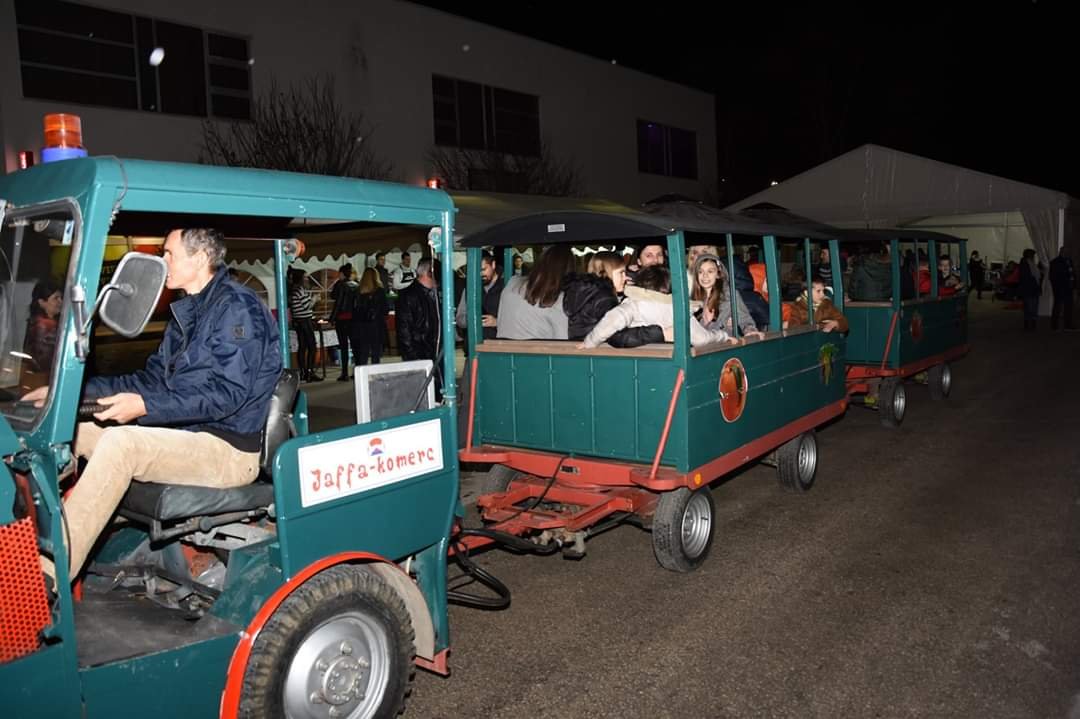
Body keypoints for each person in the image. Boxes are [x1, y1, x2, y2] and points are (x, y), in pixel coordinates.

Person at [23, 228, 281, 583]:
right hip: (186, 436)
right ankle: (29, 535)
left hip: (227, 449)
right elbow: (148, 381)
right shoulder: (188, 313)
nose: (163, 261)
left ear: (201, 259)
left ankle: (46, 578)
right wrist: (67, 394)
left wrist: (145, 407)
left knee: (122, 443)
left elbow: (226, 395)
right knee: (73, 428)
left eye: (170, 254)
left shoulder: (237, 307)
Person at [581, 266, 734, 349]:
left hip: (638, 361)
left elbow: (612, 320)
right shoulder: (678, 310)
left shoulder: (634, 304)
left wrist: (590, 342)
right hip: (670, 363)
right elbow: (701, 339)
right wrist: (722, 336)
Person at [496, 244, 574, 340]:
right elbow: (563, 340)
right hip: (537, 353)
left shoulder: (512, 283)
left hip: (501, 351)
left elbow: (501, 321)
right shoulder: (558, 298)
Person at [691, 254, 763, 339]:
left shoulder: (729, 295)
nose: (705, 276)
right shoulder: (694, 299)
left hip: (725, 346)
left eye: (710, 271)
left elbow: (745, 320)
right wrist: (705, 323)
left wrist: (750, 331)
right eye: (700, 272)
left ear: (718, 274)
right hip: (703, 348)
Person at [396, 256, 441, 365]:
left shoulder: (434, 294)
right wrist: (413, 358)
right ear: (430, 273)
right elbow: (404, 330)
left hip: (433, 351)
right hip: (420, 354)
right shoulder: (408, 296)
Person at [455, 251, 504, 342]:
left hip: (499, 345)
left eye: (483, 269)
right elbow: (460, 318)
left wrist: (496, 322)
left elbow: (517, 319)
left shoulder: (506, 286)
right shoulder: (470, 287)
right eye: (477, 271)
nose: (480, 274)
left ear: (493, 265)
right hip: (474, 345)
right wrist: (472, 319)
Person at [287, 268, 321, 382]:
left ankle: (303, 372)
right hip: (304, 321)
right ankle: (309, 373)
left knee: (303, 347)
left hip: (298, 321)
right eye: (305, 277)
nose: (307, 279)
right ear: (301, 279)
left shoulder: (294, 290)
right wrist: (315, 298)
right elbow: (307, 306)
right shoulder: (300, 290)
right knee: (312, 347)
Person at [352, 267, 389, 364]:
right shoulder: (380, 291)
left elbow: (354, 310)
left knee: (363, 352)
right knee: (376, 353)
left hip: (361, 326)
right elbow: (385, 309)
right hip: (376, 325)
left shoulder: (358, 291)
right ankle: (374, 375)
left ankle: (362, 374)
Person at [784, 277, 849, 333]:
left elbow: (844, 322)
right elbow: (794, 328)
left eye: (823, 291)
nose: (822, 294)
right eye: (818, 291)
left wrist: (836, 323)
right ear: (806, 292)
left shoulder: (827, 305)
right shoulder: (797, 308)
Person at [329, 263, 359, 380]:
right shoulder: (356, 285)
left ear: (341, 274)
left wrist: (332, 318)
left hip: (342, 319)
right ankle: (356, 370)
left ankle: (344, 372)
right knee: (355, 346)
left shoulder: (340, 285)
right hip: (354, 319)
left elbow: (337, 301)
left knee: (343, 346)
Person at [24, 279, 62, 373]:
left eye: (61, 297)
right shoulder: (44, 325)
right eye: (56, 298)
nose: (60, 301)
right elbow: (45, 360)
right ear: (42, 302)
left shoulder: (37, 322)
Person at [1048, 246, 1076, 331]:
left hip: (1069, 288)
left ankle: (1068, 325)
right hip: (1059, 289)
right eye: (1065, 251)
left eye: (1068, 251)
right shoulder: (1055, 262)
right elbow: (1052, 277)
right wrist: (1056, 287)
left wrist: (1074, 285)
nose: (1067, 253)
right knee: (1057, 307)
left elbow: (1073, 274)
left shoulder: (1069, 261)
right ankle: (1054, 326)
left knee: (1069, 307)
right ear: (1061, 252)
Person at [1018, 248, 1043, 331]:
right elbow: (1026, 278)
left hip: (1033, 288)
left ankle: (1031, 324)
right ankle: (1029, 324)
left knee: (1032, 307)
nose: (1034, 256)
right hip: (1029, 289)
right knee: (1030, 307)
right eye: (1033, 255)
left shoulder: (1031, 264)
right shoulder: (1025, 264)